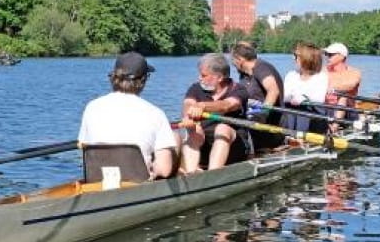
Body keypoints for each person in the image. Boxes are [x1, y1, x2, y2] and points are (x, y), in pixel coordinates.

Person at [77, 51, 179, 181]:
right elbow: (164, 170)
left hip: (97, 181)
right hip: (137, 183)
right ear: (143, 80)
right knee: (176, 140)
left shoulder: (91, 107)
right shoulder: (156, 114)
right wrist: (153, 168)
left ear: (114, 78)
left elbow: (83, 146)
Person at [179, 53, 251, 173]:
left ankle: (212, 175)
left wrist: (203, 106)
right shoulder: (196, 88)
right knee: (194, 129)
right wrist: (188, 117)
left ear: (219, 77)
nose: (199, 78)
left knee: (222, 128)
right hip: (204, 144)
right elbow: (188, 103)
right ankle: (191, 175)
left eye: (203, 75)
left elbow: (228, 105)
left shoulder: (239, 90)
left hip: (234, 148)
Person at [230, 43, 285, 150]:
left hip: (268, 126)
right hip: (250, 121)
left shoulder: (260, 67)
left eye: (233, 60)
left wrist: (263, 113)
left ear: (240, 59)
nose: (233, 64)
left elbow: (273, 90)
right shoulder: (244, 75)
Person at [282, 41, 329, 136]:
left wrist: (303, 98)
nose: (293, 58)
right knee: (288, 109)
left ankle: (299, 139)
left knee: (303, 109)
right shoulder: (291, 75)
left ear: (306, 58)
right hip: (293, 112)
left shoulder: (320, 77)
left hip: (313, 114)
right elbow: (284, 96)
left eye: (296, 56)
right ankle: (288, 137)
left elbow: (319, 99)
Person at [322, 42, 363, 114]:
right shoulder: (323, 70)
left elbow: (349, 85)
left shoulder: (354, 72)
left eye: (330, 55)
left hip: (347, 110)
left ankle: (335, 124)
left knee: (343, 96)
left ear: (342, 56)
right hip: (325, 107)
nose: (327, 57)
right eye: (326, 54)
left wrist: (327, 87)